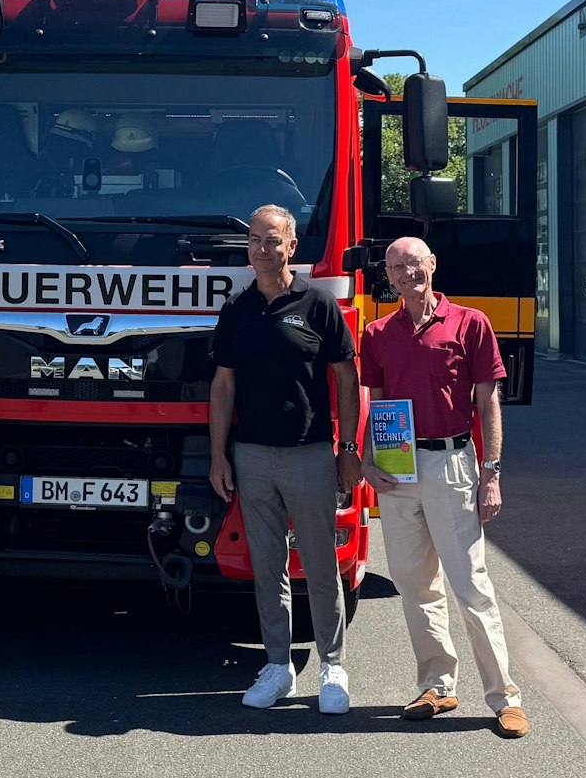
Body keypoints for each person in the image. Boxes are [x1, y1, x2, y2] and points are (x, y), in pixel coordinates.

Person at [359, 236, 526, 737]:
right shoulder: (378, 333)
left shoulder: (470, 323)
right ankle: (437, 685)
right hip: (398, 469)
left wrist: (491, 473)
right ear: (387, 275)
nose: (405, 273)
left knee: (471, 584)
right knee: (415, 584)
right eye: (395, 267)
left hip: (452, 462)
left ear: (432, 264)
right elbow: (377, 402)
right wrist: (367, 459)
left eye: (413, 263)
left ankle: (504, 697)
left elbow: (488, 401)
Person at [208, 204, 361, 713]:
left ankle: (332, 667)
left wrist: (347, 449)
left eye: (273, 240)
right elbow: (223, 386)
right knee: (268, 567)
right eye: (255, 240)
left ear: (292, 247)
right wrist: (219, 456)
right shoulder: (237, 309)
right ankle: (278, 667)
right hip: (251, 456)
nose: (262, 249)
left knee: (319, 566)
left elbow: (346, 379)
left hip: (309, 454)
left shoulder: (318, 303)